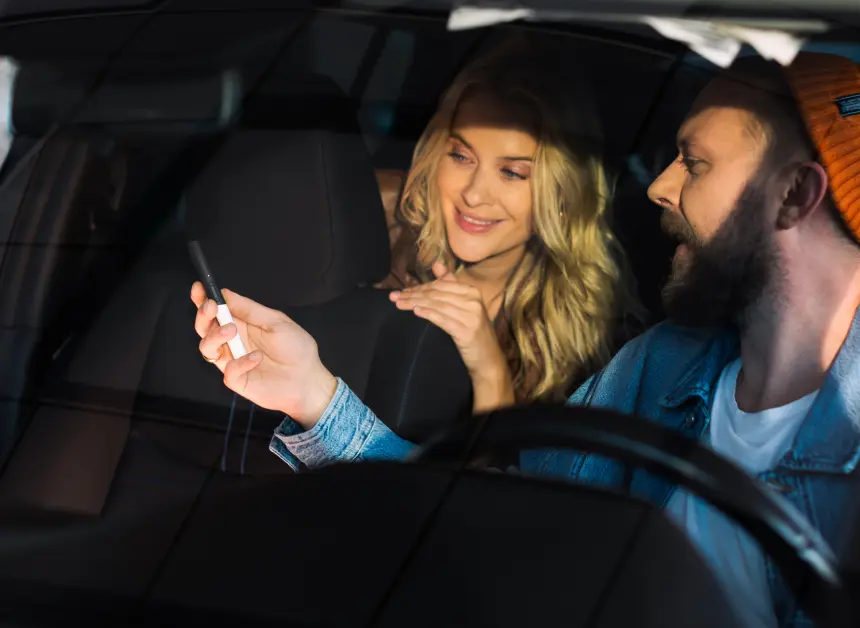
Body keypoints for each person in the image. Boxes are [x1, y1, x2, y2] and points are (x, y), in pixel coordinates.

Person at [193, 50, 860, 628]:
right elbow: (503, 527)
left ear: (795, 195)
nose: (657, 186)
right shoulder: (659, 366)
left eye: (696, 163)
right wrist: (318, 398)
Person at [193, 38, 636, 430]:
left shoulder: (603, 345)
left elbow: (499, 505)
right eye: (461, 157)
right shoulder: (367, 255)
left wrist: (488, 367)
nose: (474, 195)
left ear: (561, 195)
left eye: (513, 173)